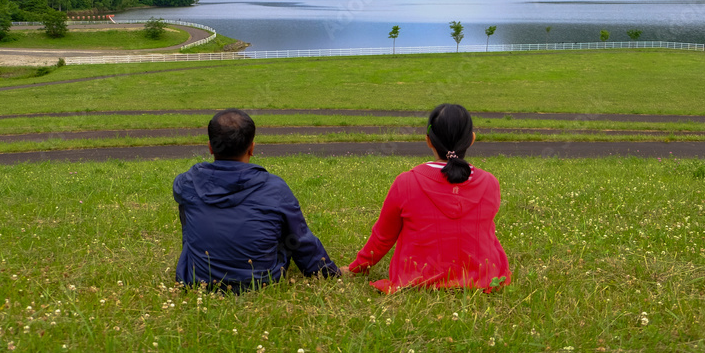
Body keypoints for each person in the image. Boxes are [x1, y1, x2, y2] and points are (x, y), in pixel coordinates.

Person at [348, 103, 511, 294]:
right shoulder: (490, 183)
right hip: (484, 279)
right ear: (472, 139)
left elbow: (383, 237)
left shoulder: (406, 182)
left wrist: (356, 268)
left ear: (428, 141)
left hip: (416, 280)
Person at [174, 108, 341, 291]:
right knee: (286, 228)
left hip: (199, 279)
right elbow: (299, 239)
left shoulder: (187, 182)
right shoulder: (275, 188)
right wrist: (327, 271)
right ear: (252, 148)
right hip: (260, 281)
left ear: (210, 147)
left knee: (189, 204)